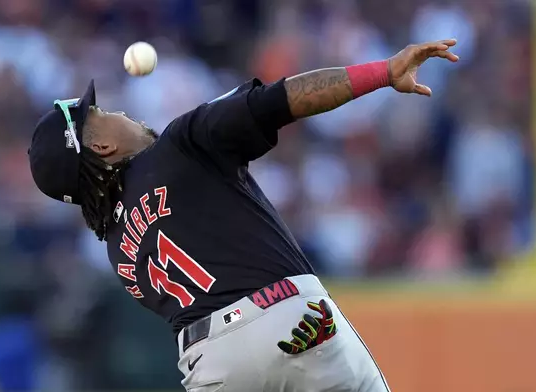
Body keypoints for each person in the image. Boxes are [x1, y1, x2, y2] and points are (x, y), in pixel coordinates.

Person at [29, 39, 458, 392]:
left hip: (211, 367)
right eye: (100, 116)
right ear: (102, 149)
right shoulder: (179, 146)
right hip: (289, 321)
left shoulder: (116, 248)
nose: (117, 112)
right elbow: (280, 100)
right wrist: (383, 73)